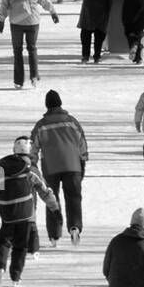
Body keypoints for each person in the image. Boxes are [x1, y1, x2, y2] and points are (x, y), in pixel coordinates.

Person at [0, 136, 57, 287]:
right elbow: (44, 190)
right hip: (25, 213)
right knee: (20, 246)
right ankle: (15, 277)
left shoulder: (2, 170)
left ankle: (0, 267)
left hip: (5, 212)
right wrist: (53, 206)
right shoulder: (31, 170)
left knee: (2, 242)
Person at [30, 90, 88, 246]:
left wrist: (32, 165)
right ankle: (75, 227)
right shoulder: (71, 121)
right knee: (74, 198)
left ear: (47, 105)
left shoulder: (41, 125)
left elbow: (33, 148)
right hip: (73, 165)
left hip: (51, 167)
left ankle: (54, 235)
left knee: (51, 199)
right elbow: (82, 141)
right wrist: (83, 159)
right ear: (60, 103)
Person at [0, 0, 59, 90]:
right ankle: (34, 76)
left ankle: (19, 81)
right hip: (33, 21)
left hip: (16, 22)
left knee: (17, 50)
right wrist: (52, 11)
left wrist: (1, 20)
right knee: (32, 48)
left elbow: (4, 4)